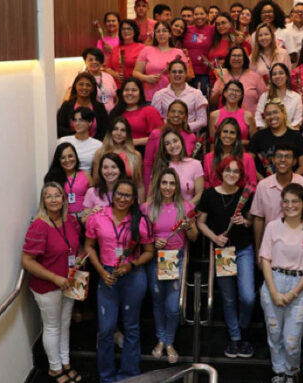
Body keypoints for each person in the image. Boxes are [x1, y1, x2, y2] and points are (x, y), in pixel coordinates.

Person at [85, 180, 154, 383]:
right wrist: (100, 271)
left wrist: (130, 266)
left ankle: (128, 375)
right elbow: (89, 246)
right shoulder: (98, 217)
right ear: (112, 195)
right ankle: (107, 377)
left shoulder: (140, 220)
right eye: (119, 194)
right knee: (106, 329)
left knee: (131, 326)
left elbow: (149, 251)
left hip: (132, 276)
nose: (122, 199)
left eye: (127, 196)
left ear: (134, 199)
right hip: (107, 276)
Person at [260, 183, 303, 383]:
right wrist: (274, 291)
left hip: (299, 286)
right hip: (274, 282)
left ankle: (291, 371)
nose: (290, 205)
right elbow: (265, 259)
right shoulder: (272, 226)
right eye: (286, 201)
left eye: (295, 201)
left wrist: (293, 293)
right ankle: (279, 371)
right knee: (275, 333)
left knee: (292, 339)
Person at [21, 182, 83, 383]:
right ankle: (55, 369)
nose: (54, 199)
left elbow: (76, 247)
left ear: (64, 199)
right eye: (49, 196)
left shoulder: (71, 221)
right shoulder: (39, 226)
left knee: (65, 324)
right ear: (43, 201)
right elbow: (27, 260)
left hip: (70, 283)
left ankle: (65, 363)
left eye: (58, 195)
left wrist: (80, 261)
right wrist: (55, 277)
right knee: (52, 327)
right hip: (48, 287)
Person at [196, 156, 256, 359]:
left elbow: (252, 221)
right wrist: (214, 237)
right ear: (221, 172)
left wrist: (245, 221)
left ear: (240, 175)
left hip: (243, 249)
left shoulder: (245, 195)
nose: (232, 174)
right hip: (223, 252)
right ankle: (236, 338)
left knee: (247, 296)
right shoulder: (209, 195)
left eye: (236, 171)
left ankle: (242, 328)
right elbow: (201, 223)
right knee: (229, 298)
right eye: (228, 170)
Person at [142, 168, 198, 364]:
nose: (167, 187)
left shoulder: (186, 207)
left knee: (172, 306)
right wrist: (153, 240)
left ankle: (169, 340)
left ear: (177, 186)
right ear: (158, 185)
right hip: (155, 259)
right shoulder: (147, 208)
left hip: (177, 259)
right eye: (164, 183)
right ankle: (161, 340)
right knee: (157, 301)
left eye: (171, 183)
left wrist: (188, 225)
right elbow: (141, 237)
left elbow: (194, 237)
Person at [250, 144, 303, 258]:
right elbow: (258, 219)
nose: (283, 160)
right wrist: (258, 251)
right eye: (279, 156)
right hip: (271, 247)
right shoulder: (263, 186)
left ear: (294, 161)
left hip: (300, 248)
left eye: (287, 157)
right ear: (273, 160)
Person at [143, 100, 198, 191]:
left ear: (185, 117)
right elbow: (148, 164)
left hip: (181, 186)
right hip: (159, 184)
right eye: (173, 111)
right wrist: (148, 190)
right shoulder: (156, 134)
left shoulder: (191, 136)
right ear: (168, 114)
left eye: (180, 112)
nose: (176, 115)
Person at [249, 99, 303, 179]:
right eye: (268, 114)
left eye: (275, 112)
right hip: (264, 186)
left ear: (283, 113)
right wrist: (263, 182)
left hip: (291, 187)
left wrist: (290, 183)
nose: (272, 116)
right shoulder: (258, 137)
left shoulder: (296, 136)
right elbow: (248, 163)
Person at [133, 21, 189, 102]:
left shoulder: (179, 53)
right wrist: (146, 78)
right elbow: (135, 73)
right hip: (150, 97)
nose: (161, 33)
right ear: (155, 35)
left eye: (164, 31)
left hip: (173, 97)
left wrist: (174, 73)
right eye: (158, 31)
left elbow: (187, 76)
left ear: (170, 34)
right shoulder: (147, 50)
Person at [92, 117, 145, 202]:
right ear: (110, 132)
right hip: (105, 199)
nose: (118, 133)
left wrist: (141, 207)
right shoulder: (100, 153)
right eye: (115, 129)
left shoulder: (135, 155)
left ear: (127, 134)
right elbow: (96, 182)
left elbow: (139, 185)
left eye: (123, 130)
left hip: (128, 200)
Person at [151, 128, 204, 206]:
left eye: (175, 141)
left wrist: (185, 209)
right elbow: (152, 196)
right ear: (164, 149)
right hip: (163, 212)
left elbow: (200, 194)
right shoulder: (160, 166)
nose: (172, 146)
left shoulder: (195, 164)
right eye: (167, 143)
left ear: (181, 142)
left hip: (187, 214)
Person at [151, 59, 208, 132]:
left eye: (180, 72)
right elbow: (156, 120)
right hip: (166, 134)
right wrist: (170, 128)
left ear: (186, 74)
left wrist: (184, 128)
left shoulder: (196, 94)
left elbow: (203, 121)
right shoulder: (159, 95)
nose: (177, 74)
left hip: (189, 132)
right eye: (174, 72)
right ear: (169, 74)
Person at [109, 78, 164, 149]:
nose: (130, 93)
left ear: (140, 93)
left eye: (134, 90)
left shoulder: (150, 111)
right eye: (126, 90)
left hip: (142, 152)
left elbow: (160, 137)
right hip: (117, 151)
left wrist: (135, 142)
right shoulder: (116, 111)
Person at [210, 46, 267, 115]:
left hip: (252, 120)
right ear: (229, 58)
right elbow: (212, 103)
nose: (236, 58)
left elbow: (265, 100)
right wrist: (219, 92)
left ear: (244, 58)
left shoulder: (256, 77)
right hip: (227, 121)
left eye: (239, 56)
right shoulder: (222, 77)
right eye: (233, 55)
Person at [204, 117, 258, 188]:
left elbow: (252, 185)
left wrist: (242, 198)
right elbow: (206, 183)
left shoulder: (247, 158)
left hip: (241, 198)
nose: (228, 136)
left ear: (237, 137)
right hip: (215, 197)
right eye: (225, 131)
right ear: (219, 134)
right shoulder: (208, 158)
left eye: (232, 133)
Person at [45, 142, 93, 219]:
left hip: (85, 217)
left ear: (76, 157)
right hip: (63, 219)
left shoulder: (86, 174)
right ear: (58, 160)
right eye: (63, 157)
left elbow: (93, 196)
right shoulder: (53, 177)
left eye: (70, 156)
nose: (67, 160)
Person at [56, 72, 109, 139]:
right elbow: (59, 129)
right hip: (70, 146)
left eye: (88, 85)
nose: (84, 87)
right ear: (75, 86)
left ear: (93, 88)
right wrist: (79, 137)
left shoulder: (99, 107)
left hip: (95, 146)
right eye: (81, 84)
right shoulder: (67, 106)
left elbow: (105, 130)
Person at [255, 63, 302, 129]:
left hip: (289, 135)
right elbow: (259, 120)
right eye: (274, 74)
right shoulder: (265, 96)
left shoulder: (296, 97)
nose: (277, 76)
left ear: (287, 76)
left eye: (281, 73)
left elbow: (297, 122)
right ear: (271, 78)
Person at [57, 107, 103, 173]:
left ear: (90, 122)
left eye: (81, 120)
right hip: (66, 178)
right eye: (75, 120)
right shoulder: (63, 141)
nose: (77, 123)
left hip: (87, 180)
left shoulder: (98, 145)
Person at [83, 152, 128, 216]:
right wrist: (91, 214)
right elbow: (83, 219)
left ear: (120, 170)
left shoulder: (129, 192)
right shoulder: (92, 192)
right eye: (105, 167)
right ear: (101, 171)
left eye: (114, 167)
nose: (109, 171)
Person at [183, 5, 215, 94]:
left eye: (202, 14)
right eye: (196, 14)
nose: (199, 16)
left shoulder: (212, 29)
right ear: (193, 16)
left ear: (207, 16)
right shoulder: (187, 29)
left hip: (204, 74)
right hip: (187, 73)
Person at [107, 20, 146, 88]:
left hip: (134, 86)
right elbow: (108, 68)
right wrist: (116, 75)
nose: (126, 31)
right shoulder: (115, 49)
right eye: (123, 29)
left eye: (129, 28)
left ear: (135, 31)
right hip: (116, 87)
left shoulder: (142, 48)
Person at [82, 47, 117, 114]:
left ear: (101, 62)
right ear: (85, 61)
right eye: (90, 60)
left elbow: (115, 98)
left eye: (97, 59)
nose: (94, 62)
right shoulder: (82, 78)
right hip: (92, 118)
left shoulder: (109, 77)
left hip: (111, 116)